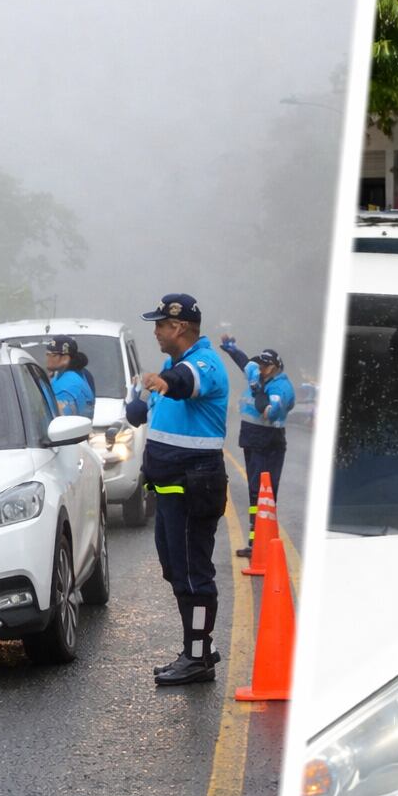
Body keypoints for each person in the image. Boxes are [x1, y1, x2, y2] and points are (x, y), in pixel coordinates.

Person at [124, 293, 229, 687]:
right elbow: (140, 414)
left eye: (160, 325)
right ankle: (196, 647)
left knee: (193, 574)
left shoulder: (203, 363)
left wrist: (163, 381)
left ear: (179, 327)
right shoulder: (172, 364)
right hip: (168, 490)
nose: (155, 332)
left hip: (192, 488)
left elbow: (185, 385)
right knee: (175, 569)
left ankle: (199, 658)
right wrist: (141, 394)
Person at [219, 334, 295, 558]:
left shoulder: (281, 388)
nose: (261, 368)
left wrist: (256, 389)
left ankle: (265, 541)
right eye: (260, 364)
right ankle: (255, 541)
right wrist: (232, 349)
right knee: (254, 492)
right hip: (251, 439)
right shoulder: (258, 375)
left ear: (275, 367)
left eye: (265, 365)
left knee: (265, 492)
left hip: (268, 440)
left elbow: (269, 413)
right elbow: (246, 363)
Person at [45, 335, 95, 419]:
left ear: (65, 358)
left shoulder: (65, 389)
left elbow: (61, 423)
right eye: (47, 354)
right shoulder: (81, 374)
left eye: (52, 355)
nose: (48, 358)